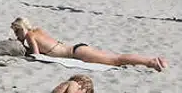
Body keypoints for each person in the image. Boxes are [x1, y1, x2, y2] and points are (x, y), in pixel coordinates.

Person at [10, 18, 167, 71]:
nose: (17, 36)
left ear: (22, 29)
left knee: (117, 60)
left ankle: (151, 62)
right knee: (116, 58)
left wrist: (23, 50)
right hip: (77, 48)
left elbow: (36, 55)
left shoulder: (30, 35)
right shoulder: (38, 30)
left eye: (17, 32)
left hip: (76, 53)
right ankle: (153, 61)